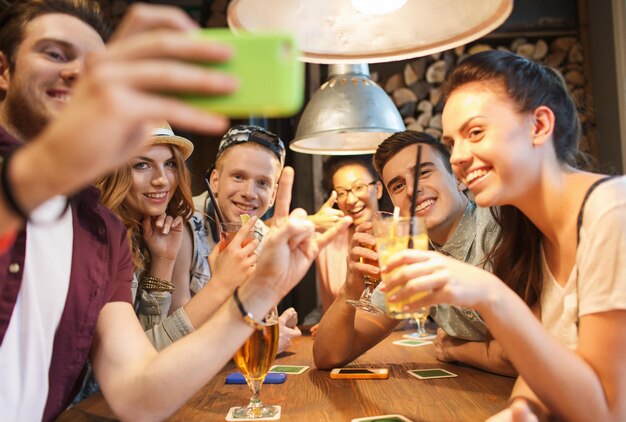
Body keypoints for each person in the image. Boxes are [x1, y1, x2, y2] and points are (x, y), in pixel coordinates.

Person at [0, 2, 351, 420]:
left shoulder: (101, 232)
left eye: (95, 67)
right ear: (3, 71)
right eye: (55, 54)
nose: (77, 73)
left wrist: (258, 295)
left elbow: (139, 393)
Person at [380, 50, 626, 421]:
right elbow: (545, 362)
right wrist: (522, 409)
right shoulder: (530, 233)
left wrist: (490, 294)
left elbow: (608, 410)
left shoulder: (612, 212)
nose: (459, 157)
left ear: (539, 126)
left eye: (475, 132)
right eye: (451, 143)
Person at [313, 130, 513, 377]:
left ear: (459, 179)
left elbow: (521, 357)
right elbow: (328, 356)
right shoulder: (410, 256)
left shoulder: (503, 228)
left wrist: (455, 350)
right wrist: (349, 291)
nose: (411, 190)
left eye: (423, 172)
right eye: (397, 185)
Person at [179, 125, 301, 352]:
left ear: (273, 195)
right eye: (238, 176)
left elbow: (260, 320)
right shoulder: (182, 225)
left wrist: (269, 331)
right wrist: (253, 343)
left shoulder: (266, 238)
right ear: (215, 181)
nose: (249, 192)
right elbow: (176, 334)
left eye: (263, 183)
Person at [307, 156, 383, 331]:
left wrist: (336, 325)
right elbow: (260, 231)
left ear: (377, 189)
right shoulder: (326, 237)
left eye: (359, 187)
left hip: (394, 340)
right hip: (335, 344)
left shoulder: (398, 236)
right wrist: (311, 221)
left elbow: (406, 310)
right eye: (341, 192)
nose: (350, 199)